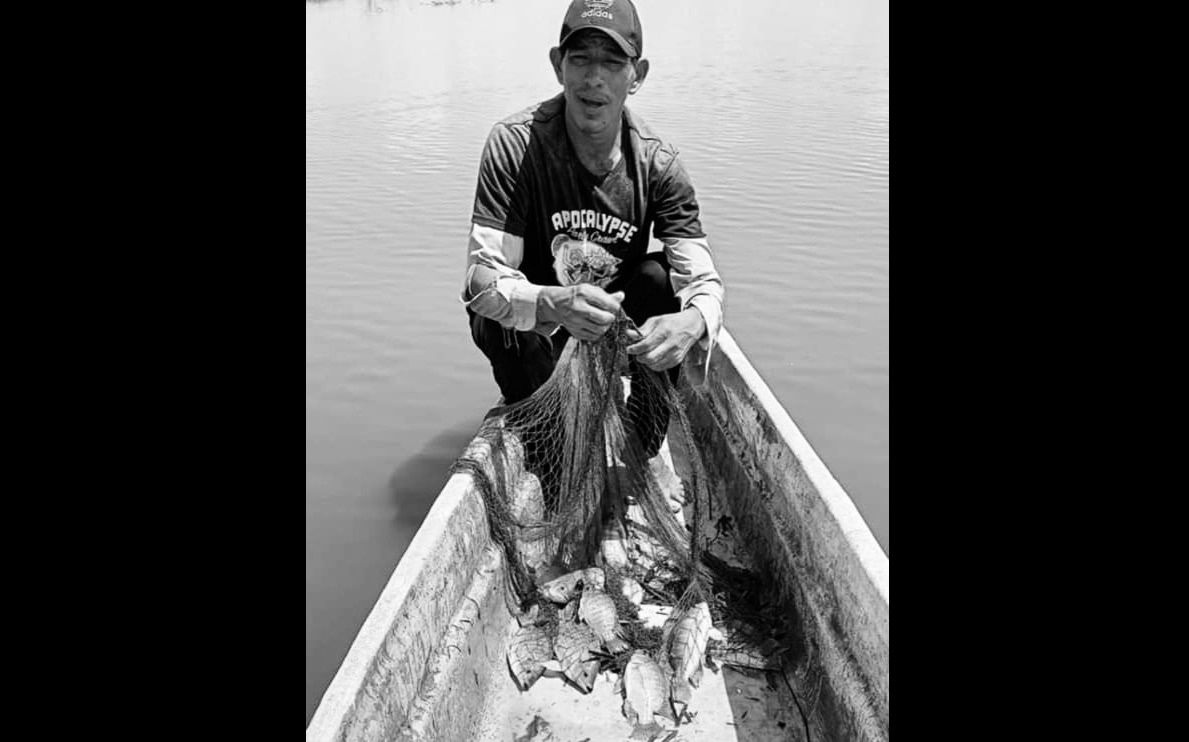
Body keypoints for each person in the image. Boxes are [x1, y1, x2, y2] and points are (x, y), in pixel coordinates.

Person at [461, 0, 725, 458]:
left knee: (661, 279)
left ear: (637, 74)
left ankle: (641, 444)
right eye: (580, 57)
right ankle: (550, 442)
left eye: (612, 61)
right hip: (542, 330)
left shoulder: (658, 165)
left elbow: (701, 281)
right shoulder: (515, 146)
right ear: (557, 65)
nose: (594, 78)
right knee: (494, 316)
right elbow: (480, 280)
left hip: (616, 332)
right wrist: (550, 301)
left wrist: (694, 321)